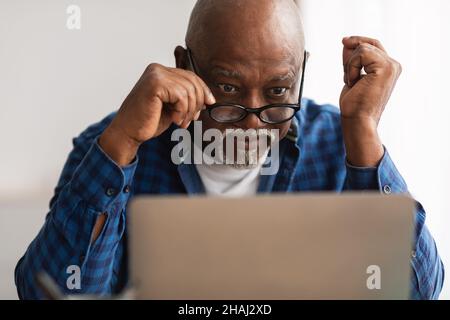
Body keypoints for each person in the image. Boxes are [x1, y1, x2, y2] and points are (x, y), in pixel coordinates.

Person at [15, 0, 444, 299]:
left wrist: (364, 132)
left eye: (278, 89)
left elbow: (416, 293)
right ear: (184, 67)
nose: (254, 118)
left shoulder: (341, 142)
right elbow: (54, 294)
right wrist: (121, 143)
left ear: (302, 73)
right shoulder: (112, 145)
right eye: (227, 87)